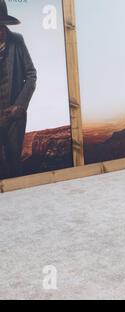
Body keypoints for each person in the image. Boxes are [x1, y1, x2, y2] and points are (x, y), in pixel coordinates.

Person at [0, 0, 36, 179]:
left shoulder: (17, 41)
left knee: (15, 165)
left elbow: (31, 75)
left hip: (15, 117)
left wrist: (19, 106)